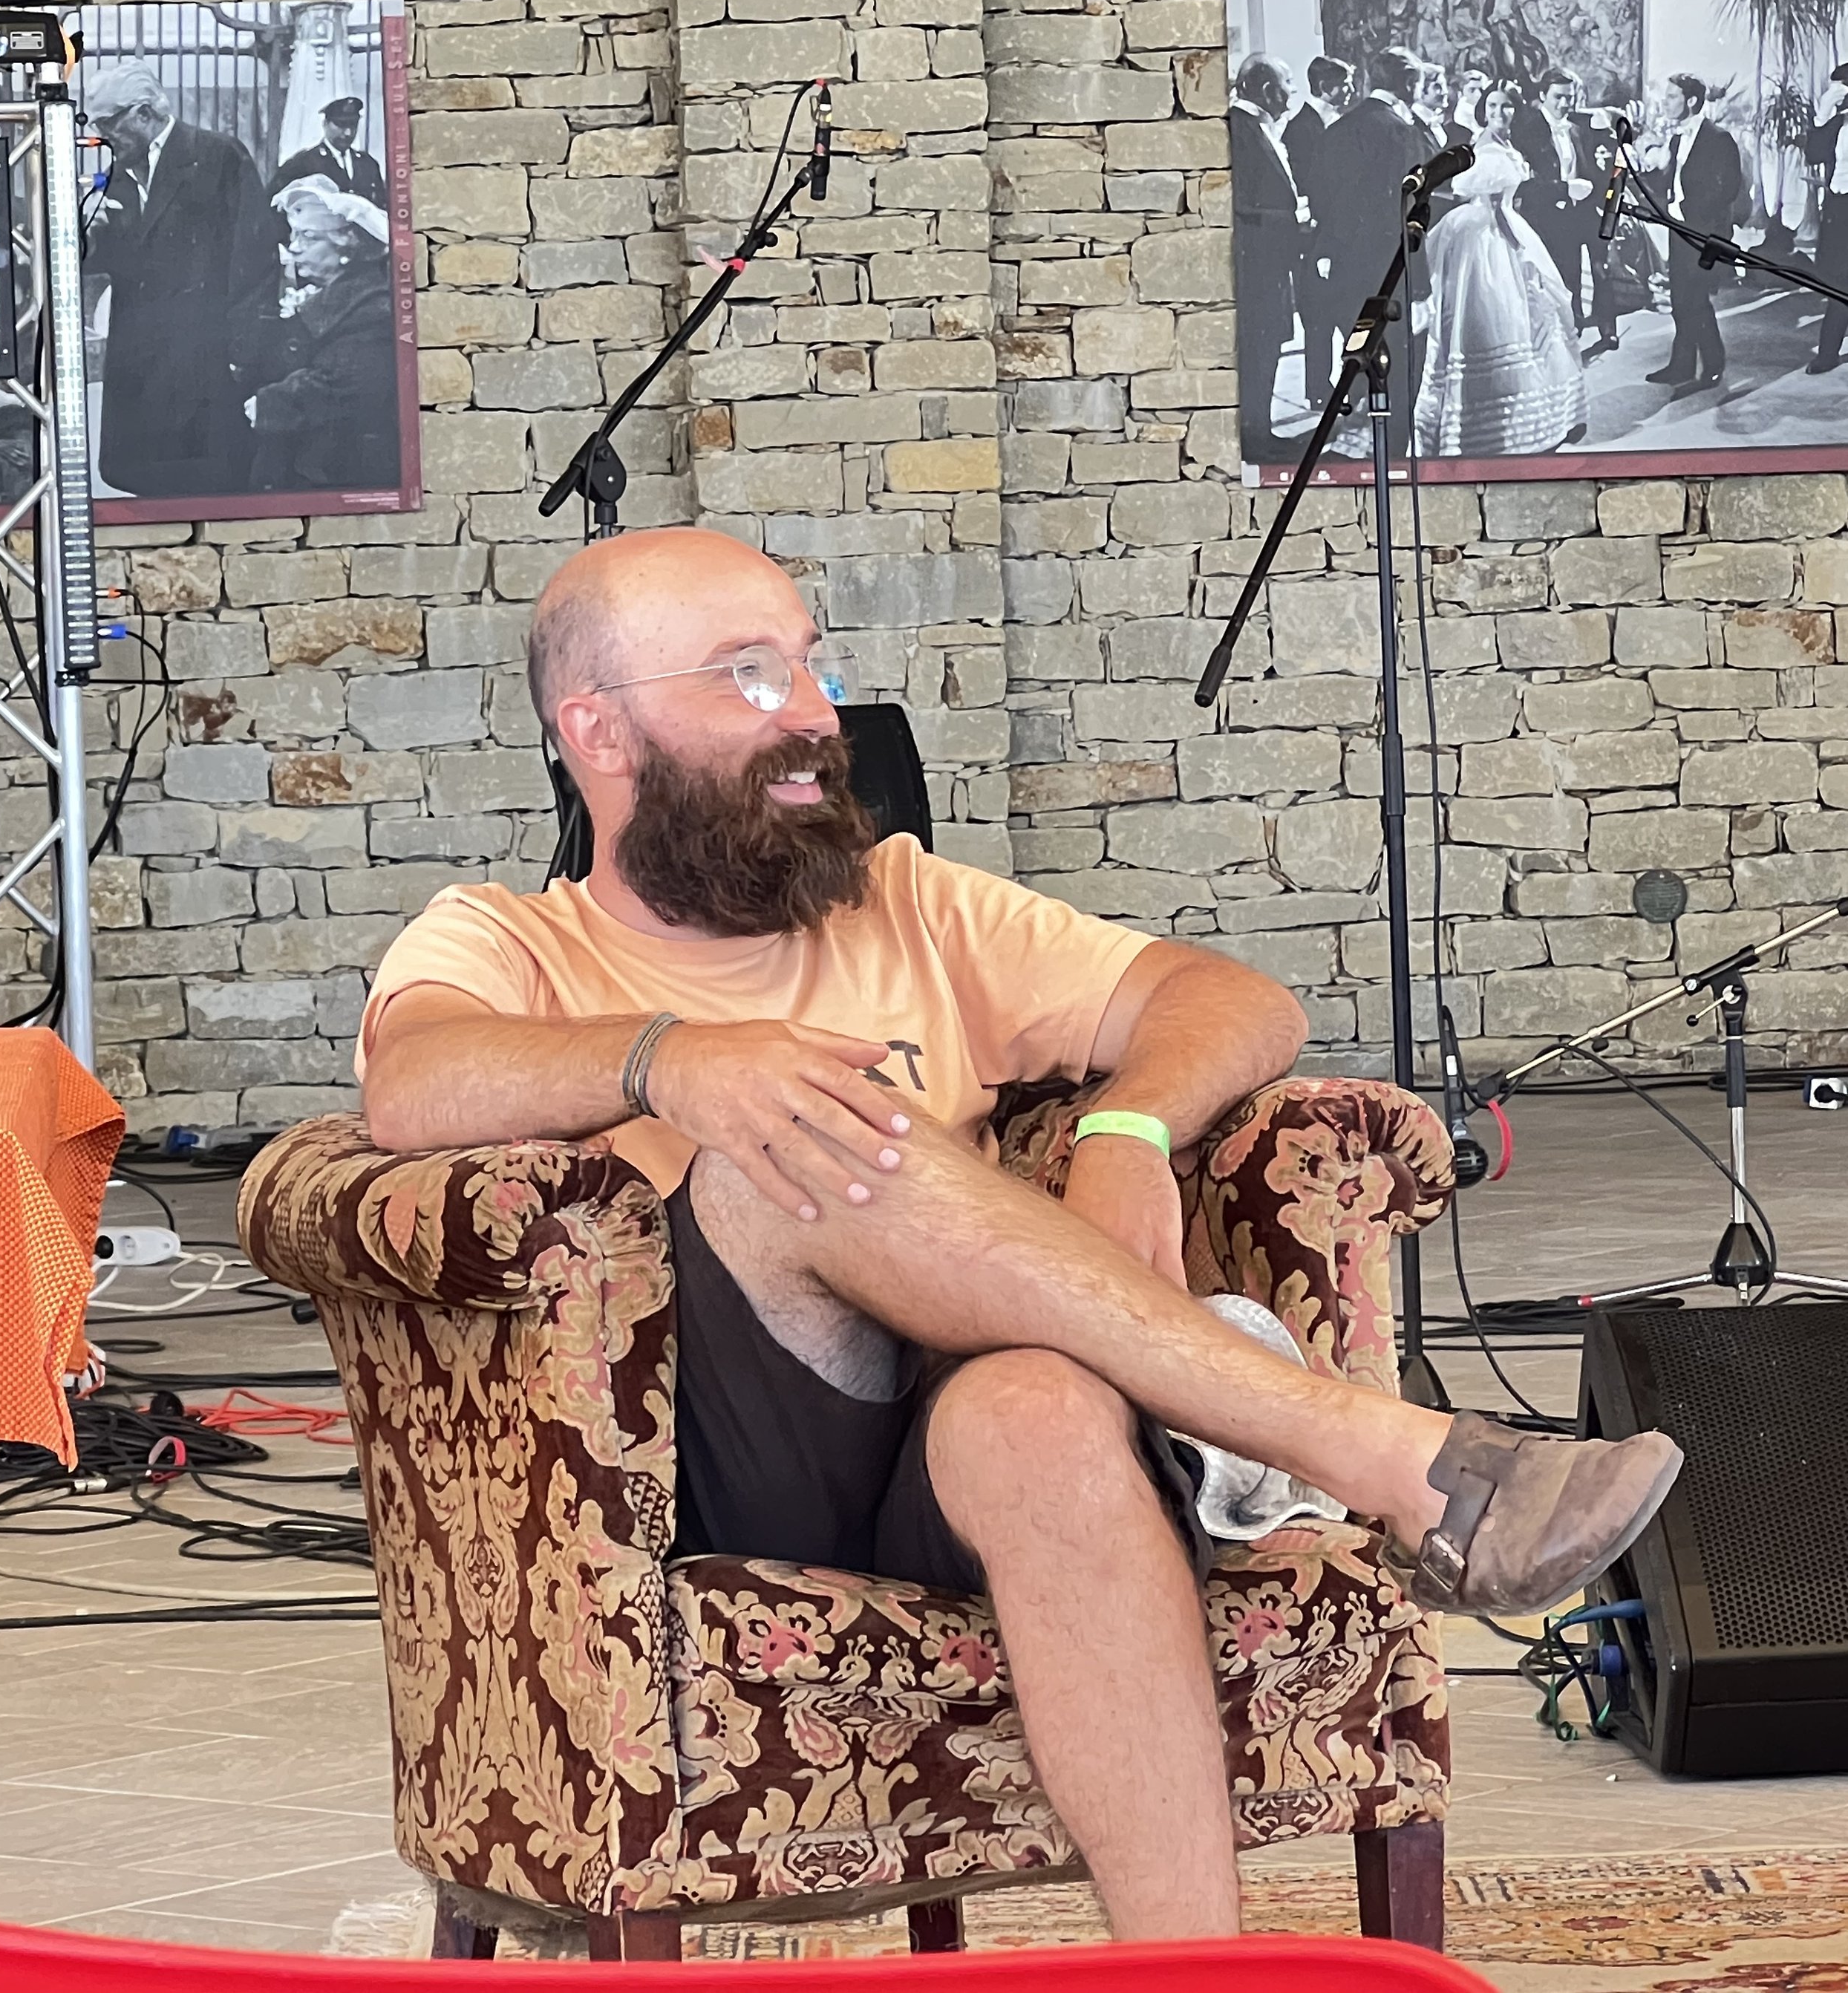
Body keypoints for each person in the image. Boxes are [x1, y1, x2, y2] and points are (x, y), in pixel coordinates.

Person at [356, 525, 1682, 1945]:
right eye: (748, 674)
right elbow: (411, 1080)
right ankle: (1381, 1453)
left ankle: (1196, 1982)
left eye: (809, 663)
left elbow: (1232, 999)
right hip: (701, 1470)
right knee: (787, 1137)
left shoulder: (914, 905)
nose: (812, 713)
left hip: (956, 1431)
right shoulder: (507, 939)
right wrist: (671, 1058)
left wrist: (1127, 1129)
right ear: (599, 730)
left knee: (1043, 1412)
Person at [82, 62, 281, 501]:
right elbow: (114, 260)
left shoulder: (219, 156)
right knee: (144, 483)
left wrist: (244, 355)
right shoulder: (116, 175)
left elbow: (255, 259)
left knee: (204, 486)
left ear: (143, 113)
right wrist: (87, 236)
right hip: (140, 365)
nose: (100, 135)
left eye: (107, 122)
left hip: (203, 360)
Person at [1413, 84, 1587, 457]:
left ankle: (1531, 415)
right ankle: (1483, 423)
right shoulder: (1487, 146)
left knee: (1529, 318)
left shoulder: (1507, 143)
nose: (1499, 112)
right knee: (1496, 316)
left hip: (1505, 223)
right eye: (1492, 105)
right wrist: (1521, 248)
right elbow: (1491, 205)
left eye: (1506, 106)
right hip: (1487, 234)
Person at [252, 179, 399, 492]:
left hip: (341, 469)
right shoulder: (326, 296)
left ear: (347, 246)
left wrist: (273, 403)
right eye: (294, 235)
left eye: (308, 237)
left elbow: (347, 384)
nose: (294, 247)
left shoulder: (371, 307)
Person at [1322, 46, 1434, 446]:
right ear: (1407, 82)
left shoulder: (1338, 129)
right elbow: (1412, 208)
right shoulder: (1400, 131)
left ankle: (1358, 434)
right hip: (1392, 265)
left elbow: (1326, 200)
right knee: (1402, 361)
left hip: (1349, 265)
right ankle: (1395, 445)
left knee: (1359, 347)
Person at [1228, 53, 1310, 460]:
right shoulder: (1238, 130)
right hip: (1256, 267)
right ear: (1266, 90)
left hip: (1272, 263)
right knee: (1259, 350)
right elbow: (1238, 207)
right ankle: (1255, 436)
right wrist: (1293, 222)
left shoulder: (1260, 127)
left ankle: (1262, 429)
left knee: (1271, 345)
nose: (1292, 91)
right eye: (1288, 83)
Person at [1646, 74, 1743, 399]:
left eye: (1672, 96)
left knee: (1696, 301)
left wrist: (1689, 211)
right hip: (1680, 231)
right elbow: (1671, 183)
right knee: (1680, 300)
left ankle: (1714, 364)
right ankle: (1682, 365)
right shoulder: (1677, 139)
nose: (1665, 102)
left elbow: (1728, 189)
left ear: (1691, 101)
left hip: (1704, 235)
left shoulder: (1718, 139)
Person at [1512, 71, 1618, 359]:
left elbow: (1597, 166)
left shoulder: (1579, 126)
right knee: (1566, 274)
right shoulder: (1527, 130)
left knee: (1602, 269)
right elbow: (1526, 184)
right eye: (1558, 97)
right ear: (1543, 96)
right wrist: (1565, 189)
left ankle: (1608, 329)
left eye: (1569, 98)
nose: (1564, 104)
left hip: (1585, 210)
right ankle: (1573, 329)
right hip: (1549, 214)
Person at [1283, 55, 1354, 418]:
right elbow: (1306, 185)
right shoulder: (1301, 130)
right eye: (1345, 84)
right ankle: (1318, 390)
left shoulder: (1339, 123)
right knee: (1319, 318)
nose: (1351, 90)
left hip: (1339, 233)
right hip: (1315, 236)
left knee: (1342, 311)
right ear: (1325, 87)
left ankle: (1340, 384)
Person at [1803, 64, 1848, 375]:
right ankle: (1829, 352)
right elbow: (1814, 154)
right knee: (1838, 281)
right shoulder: (1837, 123)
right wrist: (1822, 114)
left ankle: (1829, 351)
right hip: (1838, 210)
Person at [271, 94, 388, 209]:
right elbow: (274, 203)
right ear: (325, 124)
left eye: (353, 125)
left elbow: (381, 207)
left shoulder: (368, 165)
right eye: (341, 125)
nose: (348, 133)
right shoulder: (304, 163)